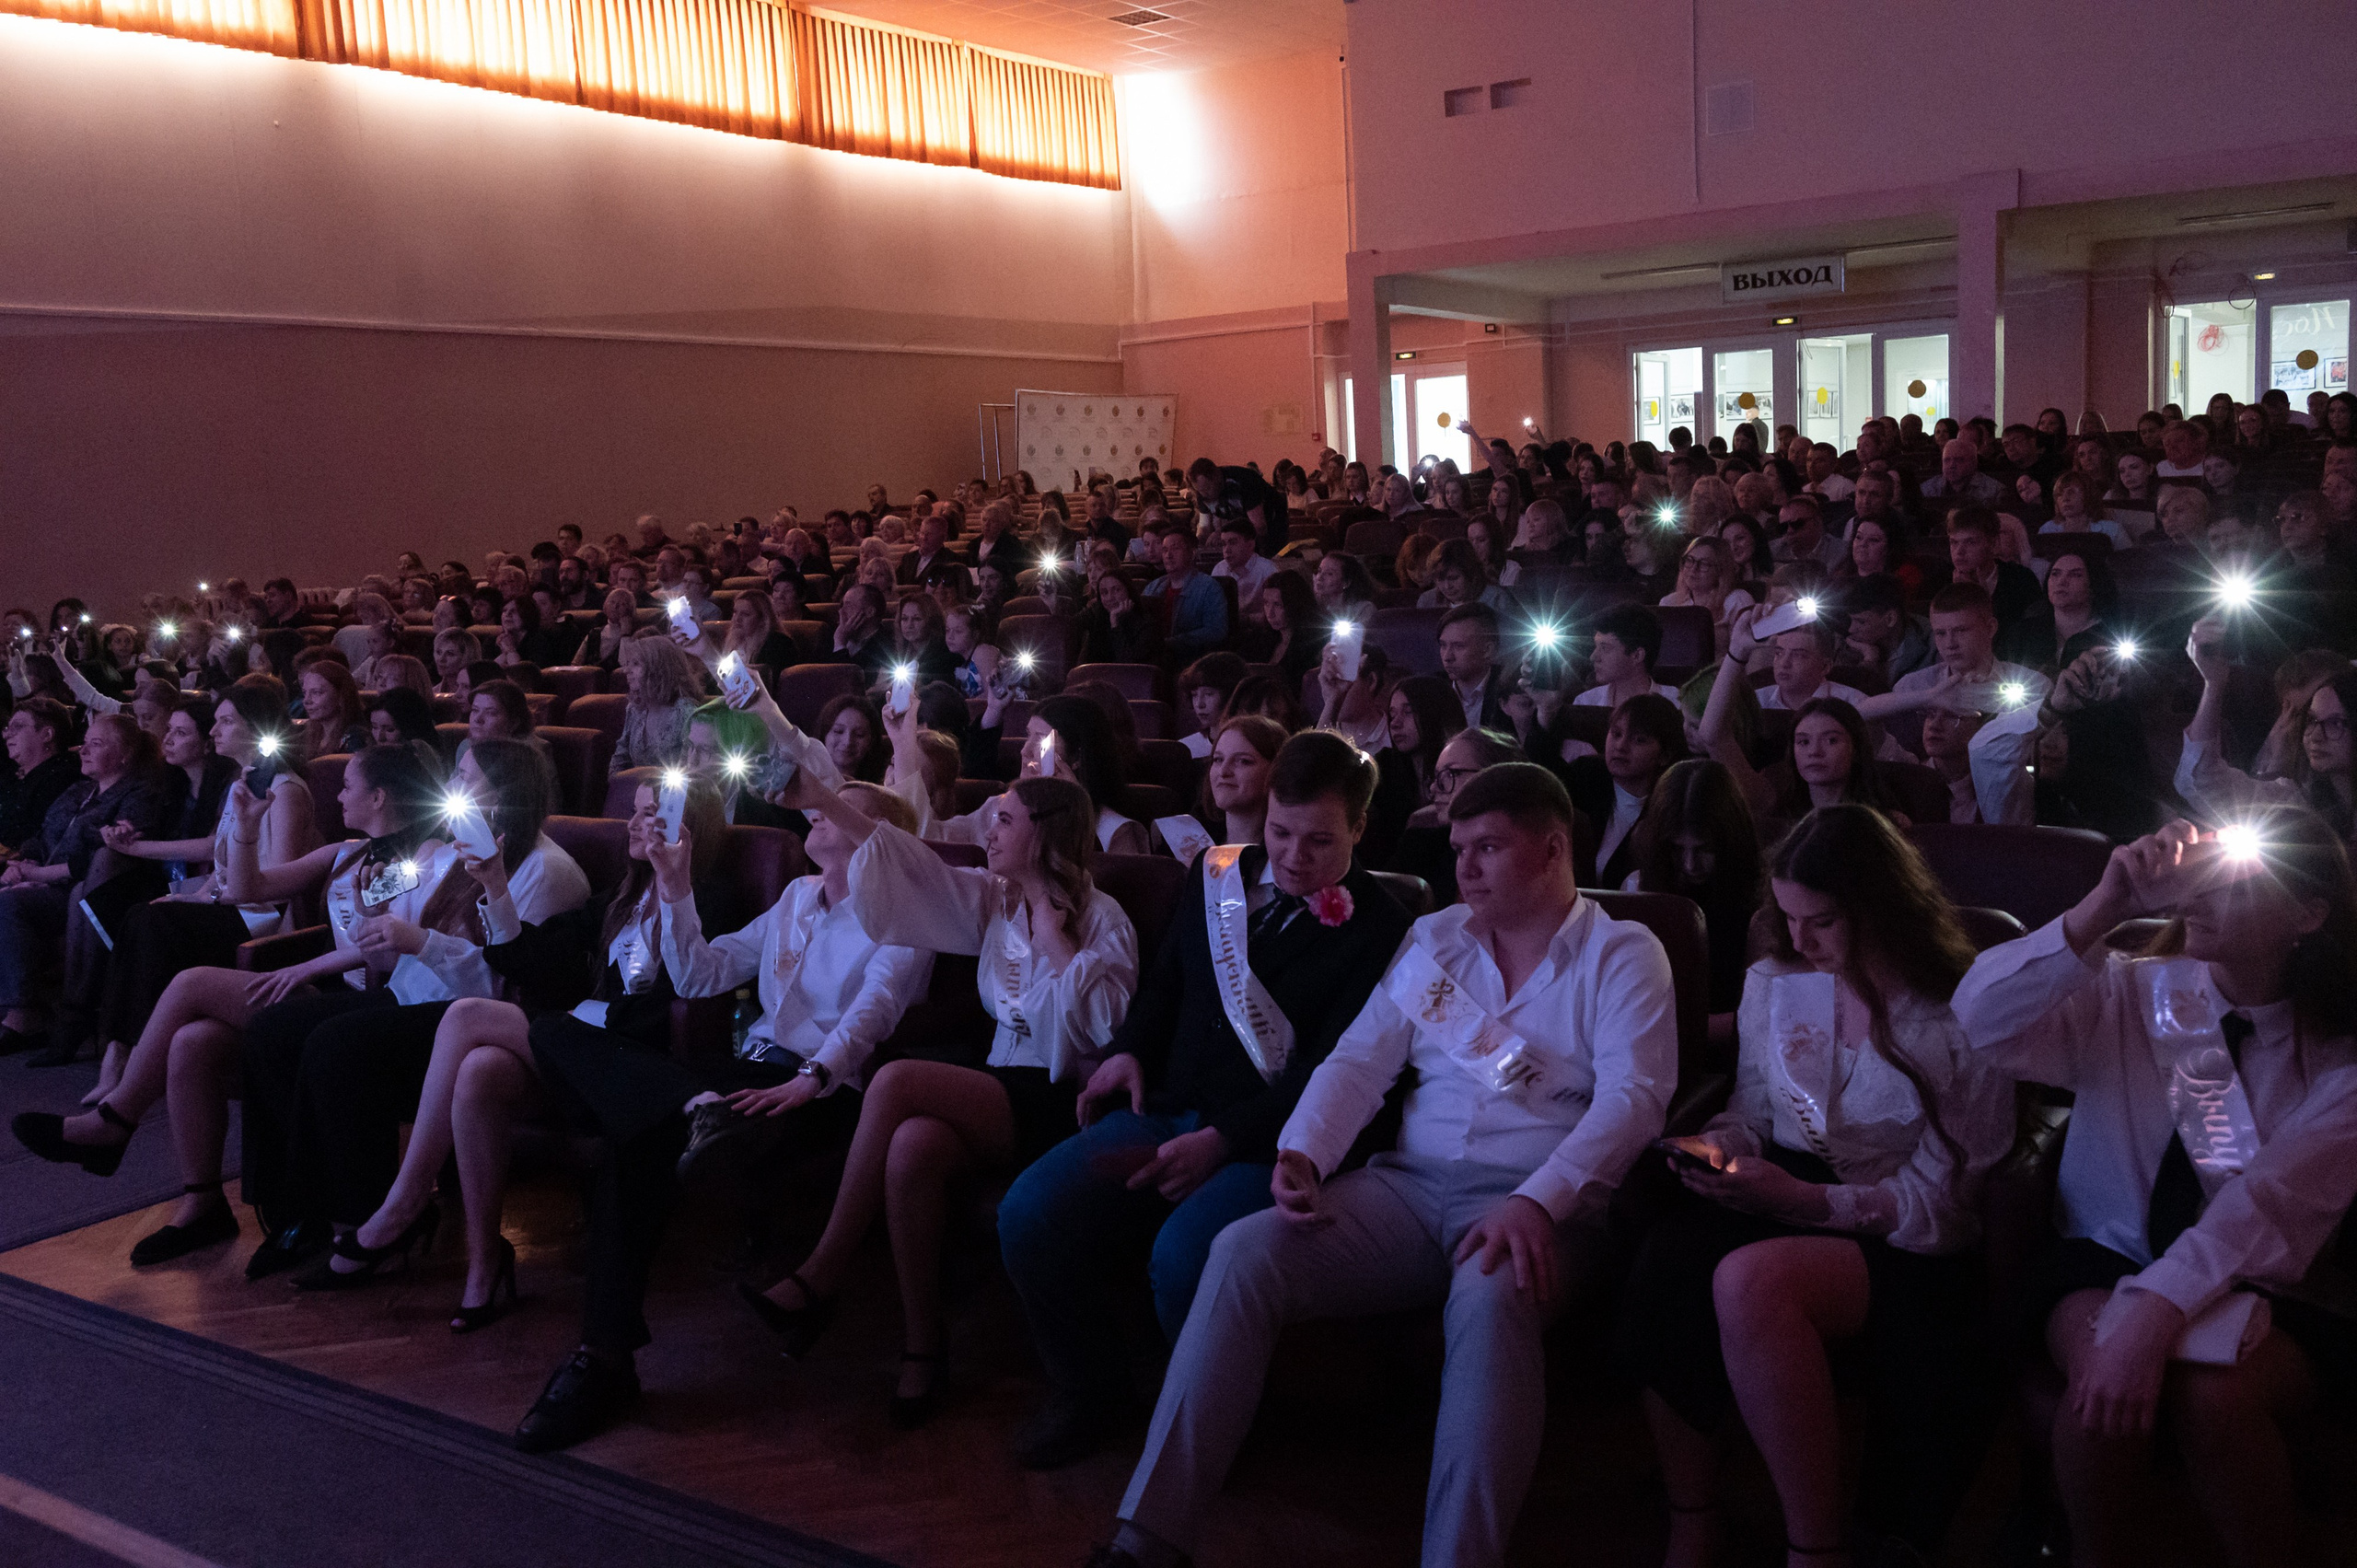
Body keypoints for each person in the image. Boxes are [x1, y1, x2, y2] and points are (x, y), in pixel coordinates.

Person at [1089, 763, 1677, 1568]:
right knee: (1241, 1251)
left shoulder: (1623, 954)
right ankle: (1148, 1538)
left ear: (1552, 848)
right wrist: (1304, 1150)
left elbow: (1634, 1100)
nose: (1465, 867)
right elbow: (1360, 1060)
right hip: (1409, 1186)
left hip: (1540, 1203)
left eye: (1488, 847)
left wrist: (1537, 1201)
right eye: (1459, 848)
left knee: (1489, 1294)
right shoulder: (1437, 939)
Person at [998, 732, 1415, 1468]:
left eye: (1319, 840)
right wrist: (1128, 1048)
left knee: (1186, 1254)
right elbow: (1166, 984)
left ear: (1359, 827)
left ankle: (1211, 1416)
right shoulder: (1216, 873)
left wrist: (1222, 1139)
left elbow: (1332, 1068)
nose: (1292, 855)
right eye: (1280, 831)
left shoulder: (1384, 927)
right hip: (1169, 1107)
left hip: (1270, 1140)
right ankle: (1092, 1388)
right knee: (1030, 1211)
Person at [1952, 813, 2357, 1568]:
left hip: (2266, 1280)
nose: (2198, 896)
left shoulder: (2337, 1058)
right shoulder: (2134, 989)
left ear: (2308, 914)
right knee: (2101, 1387)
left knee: (2214, 1397)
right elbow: (1980, 1020)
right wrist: (2103, 906)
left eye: (2234, 883)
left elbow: (2270, 1201)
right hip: (2104, 1255)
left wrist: (2154, 1309)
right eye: (2200, 878)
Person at [1623, 806, 2014, 1568]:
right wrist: (1722, 1146)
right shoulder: (1780, 982)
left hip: (1905, 1231)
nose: (1800, 941)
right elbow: (1754, 1110)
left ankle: (1814, 1546)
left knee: (1750, 1278)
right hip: (1787, 1182)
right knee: (1666, 1260)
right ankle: (1693, 1509)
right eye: (1789, 917)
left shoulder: (1957, 1013)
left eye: (1823, 921)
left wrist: (1799, 1201)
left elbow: (1947, 1201)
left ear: (1884, 909)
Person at [737, 771, 1139, 1425]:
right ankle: (923, 1347)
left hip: (1065, 1096)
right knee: (911, 1146)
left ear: (1045, 833)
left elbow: (1106, 1027)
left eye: (1005, 820)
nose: (989, 831)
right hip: (1001, 1085)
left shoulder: (1102, 915)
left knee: (896, 1079)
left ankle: (821, 1275)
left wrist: (1055, 938)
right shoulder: (992, 900)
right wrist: (826, 802)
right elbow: (915, 871)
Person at [327, 775, 737, 1368]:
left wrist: (673, 887)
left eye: (653, 814)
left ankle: (404, 1203)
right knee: (480, 1070)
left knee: (468, 1016)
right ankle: (483, 1266)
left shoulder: (712, 898)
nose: (634, 824)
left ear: (687, 829)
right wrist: (495, 882)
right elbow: (528, 960)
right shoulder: (616, 900)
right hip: (568, 1049)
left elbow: (691, 991)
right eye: (636, 812)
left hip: (627, 1070)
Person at [7, 742, 446, 1265]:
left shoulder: (422, 857)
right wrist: (245, 826)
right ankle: (202, 1204)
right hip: (327, 988)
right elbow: (246, 889)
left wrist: (304, 968)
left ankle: (115, 1119)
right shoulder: (345, 853)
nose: (339, 796)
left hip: (377, 999)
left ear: (379, 797)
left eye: (349, 786)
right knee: (193, 1042)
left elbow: (384, 946)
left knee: (192, 983)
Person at [80, 679, 320, 1080]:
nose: (214, 730)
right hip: (231, 904)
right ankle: (121, 1051)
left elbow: (280, 884)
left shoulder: (286, 790)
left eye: (226, 722)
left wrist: (206, 900)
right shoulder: (243, 783)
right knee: (142, 913)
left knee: (152, 923)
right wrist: (191, 897)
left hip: (261, 919)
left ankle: (127, 1057)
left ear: (255, 727)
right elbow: (221, 864)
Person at [0, 714, 167, 1054]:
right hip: (43, 879)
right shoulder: (79, 790)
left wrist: (38, 877)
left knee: (10, 904)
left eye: (97, 744)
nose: (84, 751)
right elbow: (42, 837)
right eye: (85, 742)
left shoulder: (139, 795)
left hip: (89, 892)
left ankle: (23, 1014)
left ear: (125, 755)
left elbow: (104, 862)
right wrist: (23, 863)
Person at [2177, 620, 2355, 851]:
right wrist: (2213, 684)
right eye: (2309, 718)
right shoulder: (2301, 800)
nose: (2312, 735)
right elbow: (2202, 783)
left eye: (2335, 722)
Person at [1631, 759, 1761, 1050]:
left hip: (1723, 1053)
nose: (1690, 864)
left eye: (1704, 849)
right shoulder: (1640, 888)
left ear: (1729, 840)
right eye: (1677, 849)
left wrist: (1669, 1028)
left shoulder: (1759, 906)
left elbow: (1760, 1017)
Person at [1564, 693, 1688, 889]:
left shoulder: (1672, 807)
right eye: (1616, 734)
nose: (1620, 746)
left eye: (1639, 740)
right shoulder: (1585, 776)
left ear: (1664, 755)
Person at [2002, 541, 2117, 672]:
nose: (2061, 582)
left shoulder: (2113, 635)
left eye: (2075, 575)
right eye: (2055, 574)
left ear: (2094, 584)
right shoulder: (2021, 634)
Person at [609, 635, 702, 775]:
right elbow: (621, 758)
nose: (626, 670)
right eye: (628, 663)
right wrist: (617, 783)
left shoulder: (686, 712)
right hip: (636, 788)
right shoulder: (634, 709)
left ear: (659, 668)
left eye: (636, 664)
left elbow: (692, 770)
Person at [0, 698, 83, 853]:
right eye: (7, 728)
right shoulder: (13, 775)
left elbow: (29, 839)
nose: (6, 735)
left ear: (47, 735)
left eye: (17, 726)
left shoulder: (61, 778)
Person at [1943, 507, 2043, 626]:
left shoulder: (2021, 579)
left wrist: (1982, 598)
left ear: (1992, 543)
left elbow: (2029, 632)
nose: (1959, 551)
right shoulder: (1940, 581)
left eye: (1970, 542)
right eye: (1954, 542)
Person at [1143, 528, 1231, 663]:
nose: (1168, 555)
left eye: (1175, 549)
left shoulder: (1209, 588)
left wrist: (1171, 643)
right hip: (1155, 659)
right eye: (1165, 550)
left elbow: (1216, 631)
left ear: (1192, 553)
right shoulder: (1153, 588)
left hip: (1192, 661)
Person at [1573, 603, 1678, 708]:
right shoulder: (1586, 702)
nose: (1593, 657)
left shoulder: (1677, 703)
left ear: (1637, 656)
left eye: (1605, 648)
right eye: (1596, 646)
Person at [1237, 572, 1322, 685]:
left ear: (1295, 605)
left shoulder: (1312, 645)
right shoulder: (1259, 638)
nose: (1270, 613)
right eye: (1266, 603)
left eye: (1278, 605)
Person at [1437, 603, 1514, 733]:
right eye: (1443, 645)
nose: (1447, 657)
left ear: (1488, 650)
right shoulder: (1433, 689)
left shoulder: (1508, 691)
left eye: (1459, 646)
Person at [1075, 569, 1165, 668]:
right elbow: (1072, 625)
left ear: (1128, 591)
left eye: (1117, 590)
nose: (1110, 597)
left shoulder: (1147, 625)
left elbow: (1128, 666)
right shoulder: (1097, 616)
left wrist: (1115, 624)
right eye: (1104, 592)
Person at [1177, 653, 1249, 760]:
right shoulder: (1185, 748)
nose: (1199, 704)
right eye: (1194, 695)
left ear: (1231, 694)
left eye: (1208, 694)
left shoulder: (1251, 747)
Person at [1208, 518, 1276, 610]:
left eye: (1233, 543)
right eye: (1223, 544)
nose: (1227, 550)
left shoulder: (1268, 570)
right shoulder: (1219, 570)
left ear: (1250, 545)